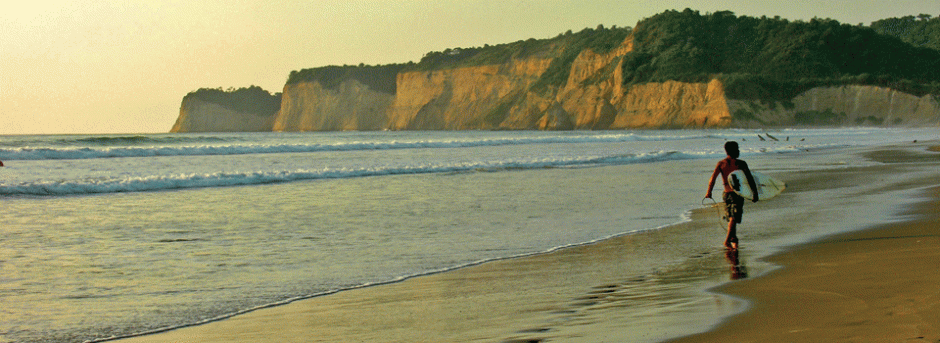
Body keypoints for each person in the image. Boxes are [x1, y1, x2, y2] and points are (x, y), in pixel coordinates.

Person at [705, 141, 757, 250]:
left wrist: (709, 192)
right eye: (737, 148)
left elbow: (712, 179)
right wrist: (755, 192)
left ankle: (734, 239)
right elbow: (749, 179)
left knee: (731, 218)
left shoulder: (721, 163)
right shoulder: (741, 163)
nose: (739, 151)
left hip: (726, 194)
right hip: (737, 194)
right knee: (734, 218)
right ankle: (727, 240)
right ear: (733, 150)